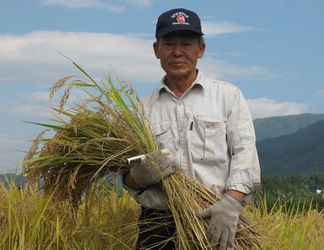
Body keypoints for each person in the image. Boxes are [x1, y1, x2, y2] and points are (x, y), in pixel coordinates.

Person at [123, 7, 261, 250]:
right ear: (156, 50)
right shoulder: (141, 110)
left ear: (201, 49)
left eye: (186, 44)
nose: (178, 52)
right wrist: (137, 177)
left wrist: (231, 203)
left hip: (215, 217)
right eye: (169, 44)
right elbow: (125, 176)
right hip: (157, 227)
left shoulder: (227, 96)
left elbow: (245, 155)